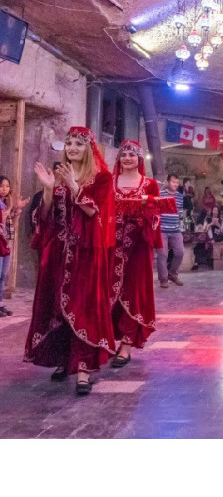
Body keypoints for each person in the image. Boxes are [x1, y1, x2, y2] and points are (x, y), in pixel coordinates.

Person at [24, 127, 116, 395]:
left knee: (83, 307)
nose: (72, 148)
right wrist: (50, 190)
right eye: (69, 143)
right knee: (56, 308)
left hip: (85, 255)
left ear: (88, 147)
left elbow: (92, 211)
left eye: (78, 143)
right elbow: (46, 217)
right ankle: (64, 360)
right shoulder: (59, 176)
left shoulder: (101, 178)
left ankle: (84, 368)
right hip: (57, 253)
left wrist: (75, 185)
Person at [109, 141, 173, 368]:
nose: (127, 158)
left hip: (137, 248)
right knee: (107, 293)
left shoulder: (150, 185)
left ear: (139, 159)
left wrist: (146, 211)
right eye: (123, 154)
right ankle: (106, 341)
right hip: (110, 247)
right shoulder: (109, 182)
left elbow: (156, 216)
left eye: (132, 154)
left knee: (132, 293)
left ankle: (125, 345)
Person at [0, 175, 30, 317]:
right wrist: (11, 207)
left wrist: (17, 212)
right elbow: (3, 218)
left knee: (2, 276)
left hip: (5, 245)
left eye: (7, 186)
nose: (5, 189)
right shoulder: (4, 206)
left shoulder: (5, 204)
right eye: (2, 186)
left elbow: (12, 227)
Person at [156, 174, 185, 288]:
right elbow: (156, 210)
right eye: (173, 182)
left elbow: (180, 211)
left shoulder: (179, 196)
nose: (176, 184)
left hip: (175, 229)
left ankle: (172, 273)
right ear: (168, 182)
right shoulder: (160, 195)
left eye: (177, 182)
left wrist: (181, 217)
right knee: (162, 255)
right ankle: (163, 279)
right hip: (162, 230)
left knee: (180, 252)